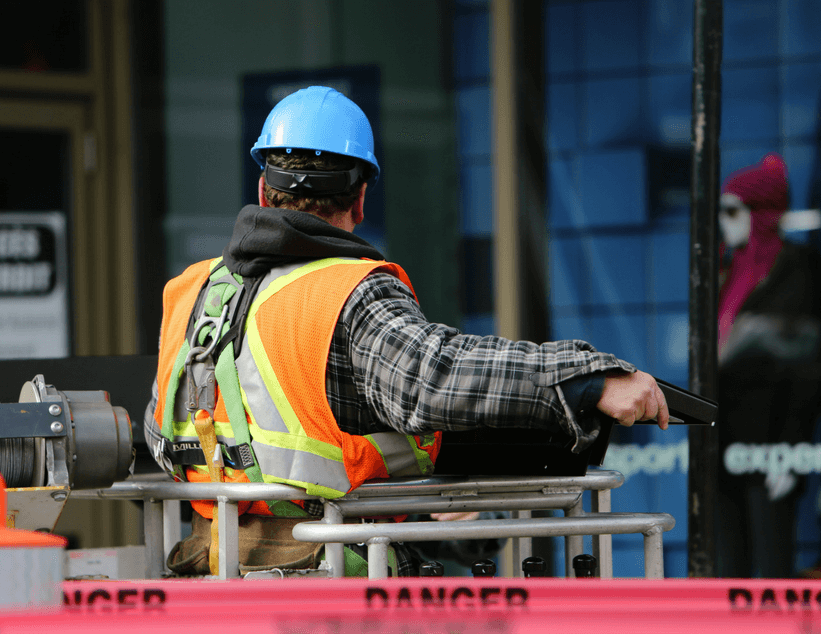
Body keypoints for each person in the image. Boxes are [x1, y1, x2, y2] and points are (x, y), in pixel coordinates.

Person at [143, 85, 670, 577]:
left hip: (208, 576)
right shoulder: (347, 292)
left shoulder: (191, 292)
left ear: (262, 188)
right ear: (361, 199)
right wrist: (588, 379)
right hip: (325, 582)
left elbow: (160, 428)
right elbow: (432, 378)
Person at [714, 153, 821, 578]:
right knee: (728, 565)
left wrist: (791, 452)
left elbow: (806, 369)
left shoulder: (799, 270)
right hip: (724, 439)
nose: (725, 221)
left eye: (733, 210)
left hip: (772, 440)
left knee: (771, 562)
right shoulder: (725, 269)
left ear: (760, 213)